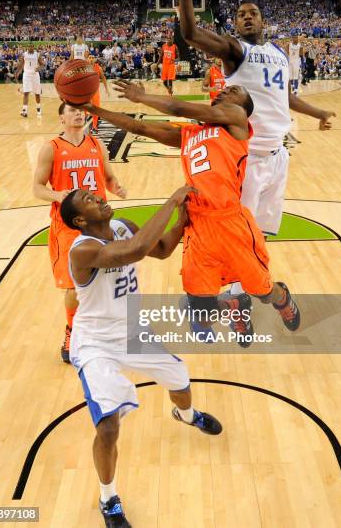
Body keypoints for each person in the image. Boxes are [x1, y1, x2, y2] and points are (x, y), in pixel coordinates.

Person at [77, 80, 301, 347]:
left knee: (261, 290)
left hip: (230, 222)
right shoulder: (190, 134)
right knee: (201, 310)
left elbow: (176, 106)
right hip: (198, 224)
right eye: (226, 89)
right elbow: (139, 127)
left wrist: (142, 97)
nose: (225, 91)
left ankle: (282, 299)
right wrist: (93, 109)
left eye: (234, 91)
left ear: (243, 106)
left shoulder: (237, 121)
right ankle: (229, 304)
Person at [60, 185, 222, 527]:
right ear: (79, 219)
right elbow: (133, 252)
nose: (99, 197)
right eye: (90, 200)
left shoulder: (123, 226)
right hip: (95, 344)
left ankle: (188, 416)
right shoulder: (83, 250)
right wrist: (172, 198)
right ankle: (109, 499)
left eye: (96, 194)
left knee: (179, 378)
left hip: (133, 331)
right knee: (107, 426)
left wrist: (181, 220)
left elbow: (159, 249)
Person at [178, 0, 336, 297]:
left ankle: (249, 283)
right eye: (241, 15)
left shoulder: (277, 53)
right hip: (245, 155)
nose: (247, 18)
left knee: (259, 231)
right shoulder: (235, 50)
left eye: (253, 14)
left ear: (263, 20)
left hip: (278, 154)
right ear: (234, 24)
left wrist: (318, 112)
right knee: (237, 233)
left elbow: (284, 95)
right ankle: (235, 294)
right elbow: (191, 33)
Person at [33, 102, 126, 363]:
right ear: (61, 119)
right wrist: (56, 195)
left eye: (79, 110)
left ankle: (105, 332)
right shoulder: (51, 149)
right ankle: (72, 331)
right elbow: (37, 187)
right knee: (74, 285)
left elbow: (108, 177)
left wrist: (115, 186)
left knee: (105, 280)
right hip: (69, 224)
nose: (77, 114)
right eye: (71, 111)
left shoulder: (97, 145)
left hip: (98, 225)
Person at [15, 44, 44, 118]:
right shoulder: (24, 55)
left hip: (35, 75)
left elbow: (42, 64)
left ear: (33, 47)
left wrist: (39, 68)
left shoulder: (37, 54)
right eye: (29, 46)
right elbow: (21, 65)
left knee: (37, 93)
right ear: (27, 47)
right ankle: (24, 111)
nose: (30, 47)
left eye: (32, 46)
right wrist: (17, 72)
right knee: (26, 93)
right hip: (26, 75)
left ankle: (38, 109)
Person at [88, 56, 108, 133]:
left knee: (95, 108)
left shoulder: (98, 68)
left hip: (95, 90)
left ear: (95, 59)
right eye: (90, 57)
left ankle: (94, 125)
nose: (91, 59)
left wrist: (106, 89)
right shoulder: (84, 68)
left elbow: (103, 78)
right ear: (87, 59)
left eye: (92, 57)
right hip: (86, 91)